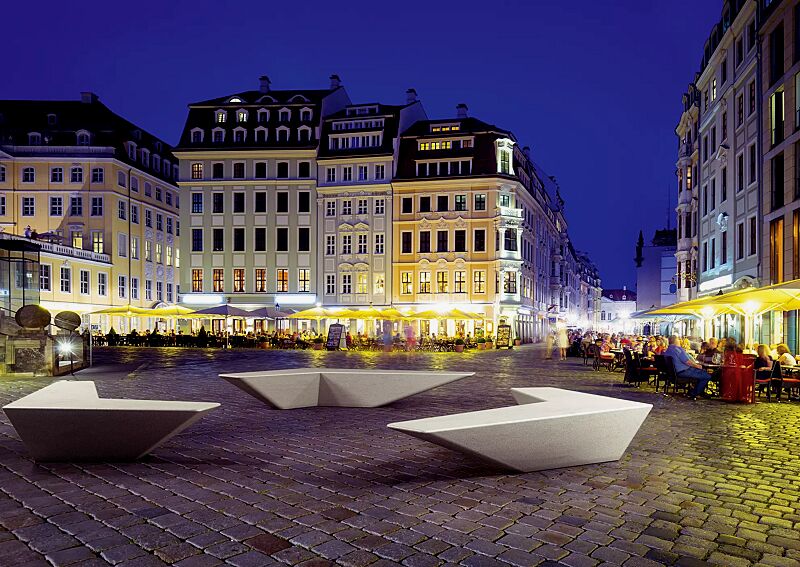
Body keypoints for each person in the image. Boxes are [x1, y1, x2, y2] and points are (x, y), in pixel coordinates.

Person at [664, 335, 711, 400]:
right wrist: (697, 366)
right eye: (678, 339)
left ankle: (698, 391)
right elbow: (687, 361)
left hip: (673, 374)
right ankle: (693, 393)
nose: (680, 341)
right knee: (706, 376)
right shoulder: (678, 349)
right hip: (683, 371)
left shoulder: (667, 350)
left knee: (700, 374)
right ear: (676, 341)